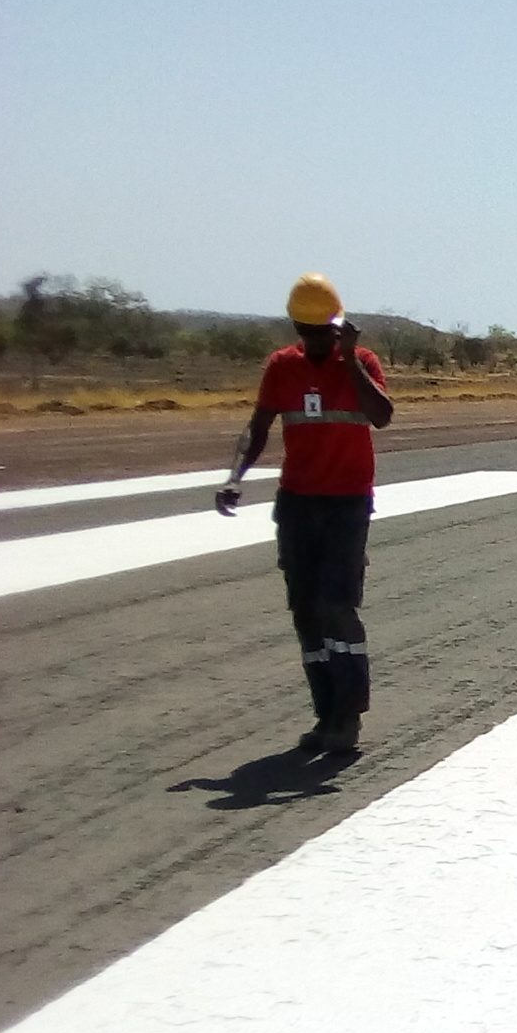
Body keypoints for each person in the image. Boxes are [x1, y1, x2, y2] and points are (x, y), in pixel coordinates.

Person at [216, 273, 395, 753]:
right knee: (305, 613)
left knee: (337, 606)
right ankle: (326, 714)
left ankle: (349, 715)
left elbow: (381, 415)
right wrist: (235, 477)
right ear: (297, 325)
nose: (318, 341)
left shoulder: (362, 362)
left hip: (347, 503)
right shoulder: (281, 367)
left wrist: (352, 359)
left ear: (338, 326)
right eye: (309, 332)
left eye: (326, 332)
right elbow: (256, 428)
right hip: (297, 502)